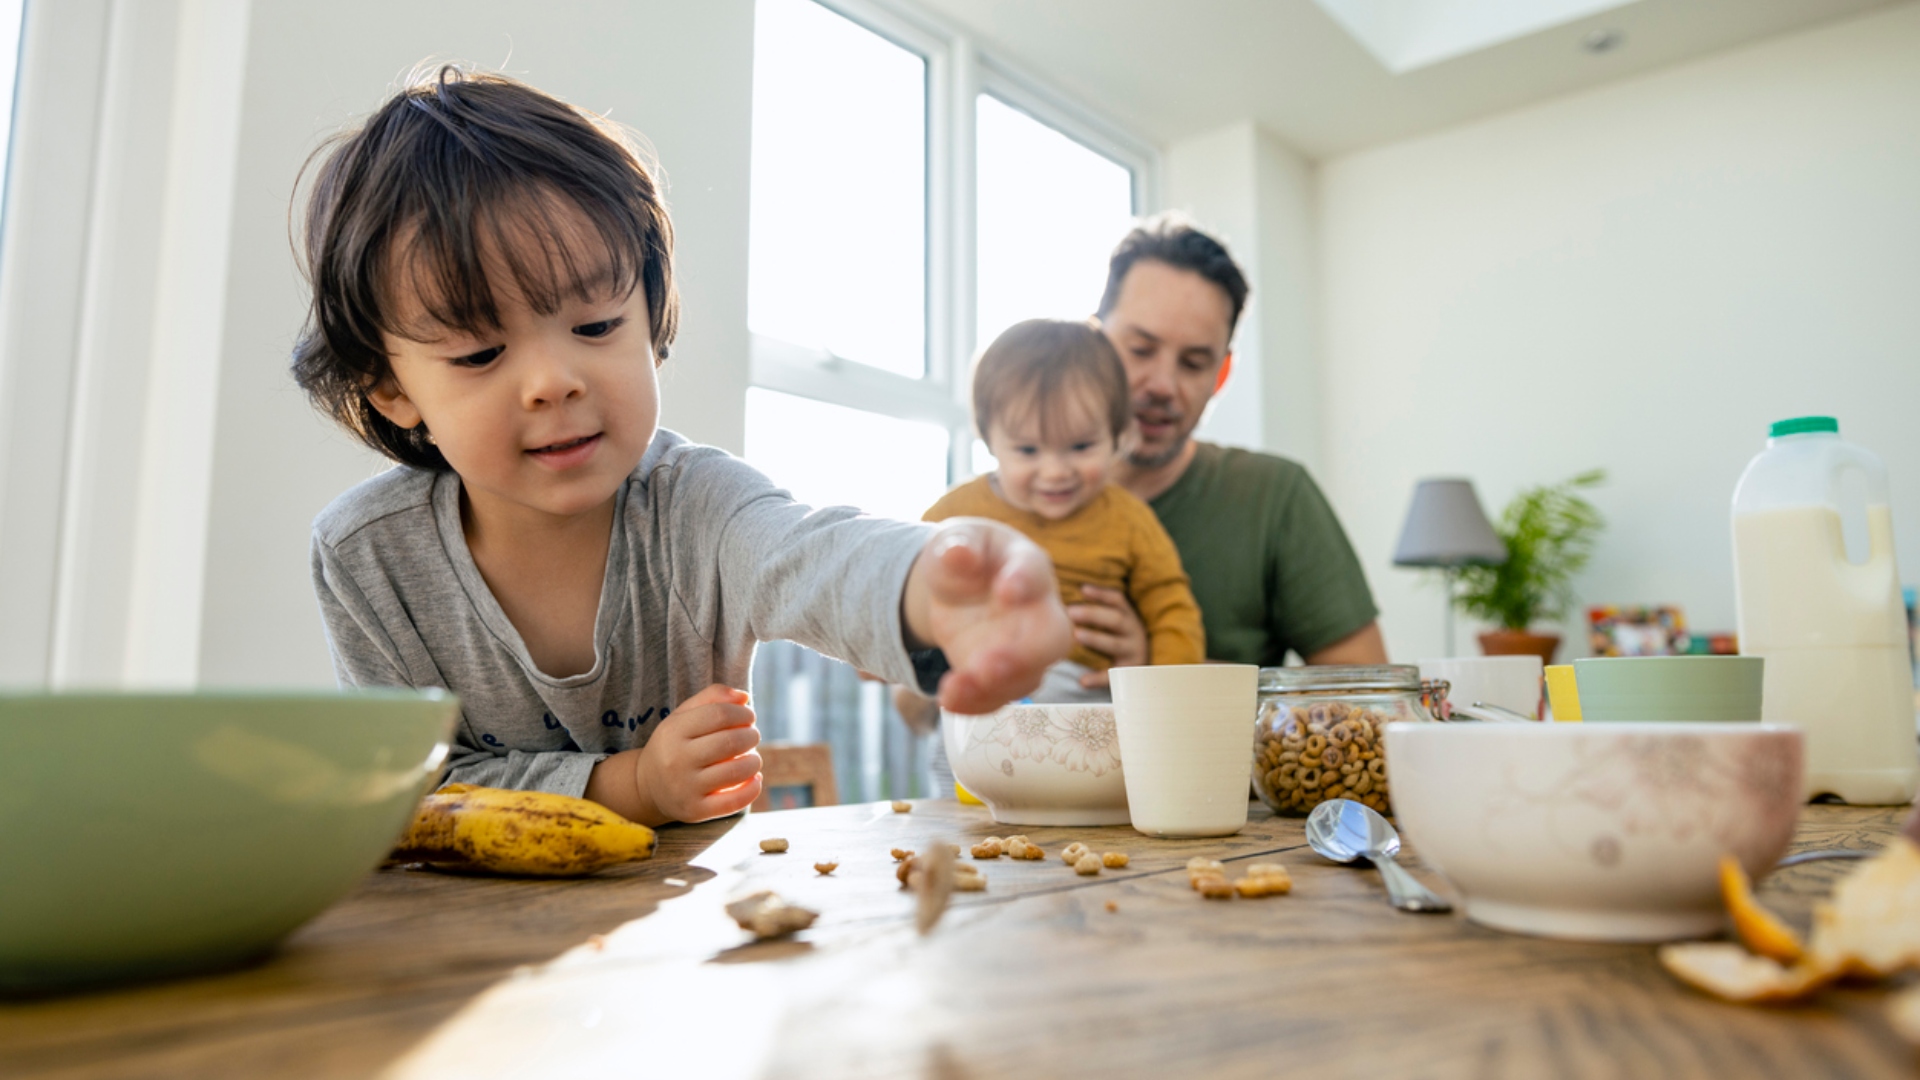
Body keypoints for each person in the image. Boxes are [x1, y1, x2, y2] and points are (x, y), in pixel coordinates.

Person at [293, 67, 1070, 827]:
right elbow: (415, 789)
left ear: (650, 316)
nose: (553, 383)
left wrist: (931, 589)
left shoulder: (695, 505)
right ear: (389, 386)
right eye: (479, 354)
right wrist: (633, 785)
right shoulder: (366, 555)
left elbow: (807, 556)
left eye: (597, 326)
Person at [1069, 214, 1385, 680]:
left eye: (1194, 363)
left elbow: (1369, 693)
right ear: (1091, 344)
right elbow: (918, 710)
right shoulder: (1006, 496)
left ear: (1221, 375)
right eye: (1139, 349)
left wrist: (1162, 671)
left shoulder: (1273, 497)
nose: (1162, 385)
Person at [923, 318, 1204, 702]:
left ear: (1117, 434)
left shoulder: (1129, 519)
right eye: (1027, 450)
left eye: (1081, 447)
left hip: (1089, 699)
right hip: (981, 687)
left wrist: (1161, 688)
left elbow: (1171, 606)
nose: (1055, 472)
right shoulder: (957, 513)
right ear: (989, 439)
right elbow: (906, 578)